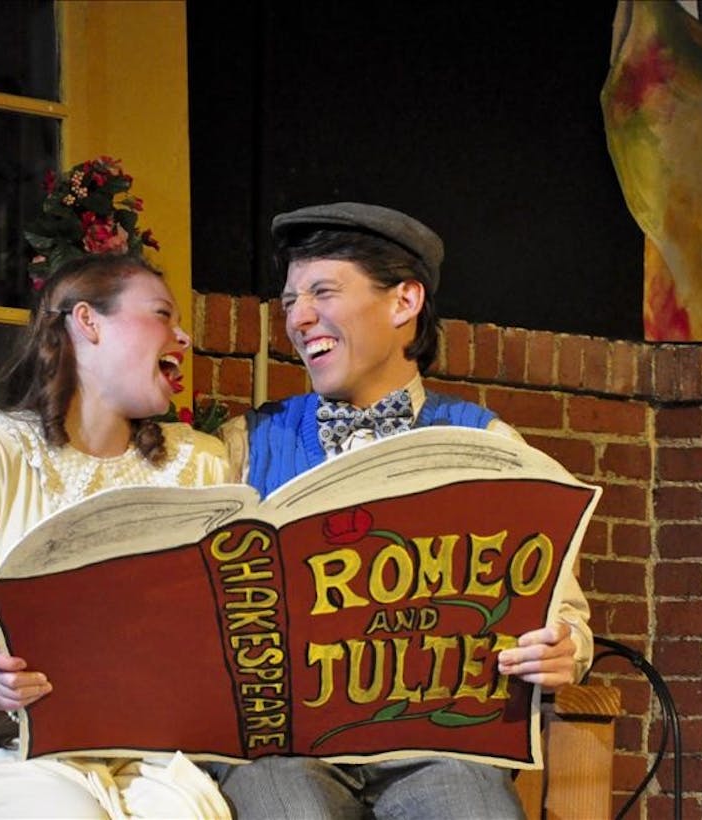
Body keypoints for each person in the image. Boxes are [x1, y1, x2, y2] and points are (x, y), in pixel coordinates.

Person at [214, 202, 592, 819]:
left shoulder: (487, 446)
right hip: (284, 750)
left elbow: (561, 610)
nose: (299, 317)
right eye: (289, 301)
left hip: (437, 746)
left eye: (323, 292)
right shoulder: (246, 444)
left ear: (403, 302)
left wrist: (560, 647)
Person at [0, 252, 232, 819]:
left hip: (151, 758)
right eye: (161, 313)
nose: (181, 335)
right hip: (20, 752)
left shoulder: (199, 466)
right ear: (88, 323)